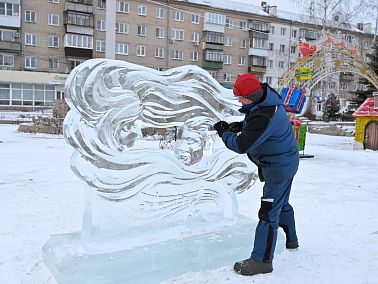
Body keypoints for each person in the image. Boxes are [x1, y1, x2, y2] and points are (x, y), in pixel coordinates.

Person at [213, 73, 299, 276]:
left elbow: (242, 145)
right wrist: (242, 126)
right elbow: (259, 125)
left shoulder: (263, 114)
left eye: (241, 97)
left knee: (268, 212)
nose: (239, 101)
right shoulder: (266, 102)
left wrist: (224, 133)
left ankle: (261, 261)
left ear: (252, 96)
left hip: (278, 168)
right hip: (286, 162)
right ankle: (292, 239)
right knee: (282, 203)